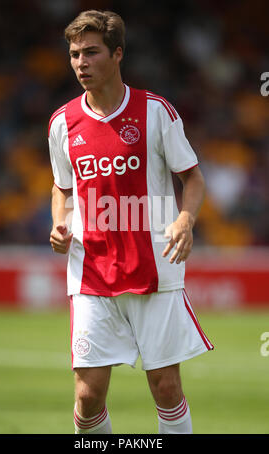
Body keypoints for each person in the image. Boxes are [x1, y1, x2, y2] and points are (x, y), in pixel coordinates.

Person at [48, 9, 213, 435]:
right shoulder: (62, 123)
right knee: (87, 397)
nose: (80, 63)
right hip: (91, 270)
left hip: (154, 266)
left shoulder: (156, 111)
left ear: (117, 54)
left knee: (165, 385)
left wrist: (185, 218)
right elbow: (61, 187)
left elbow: (192, 177)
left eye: (91, 52)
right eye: (73, 54)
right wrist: (59, 223)